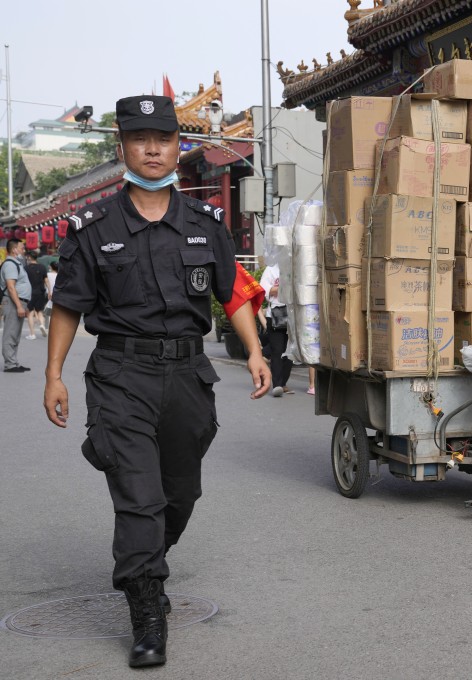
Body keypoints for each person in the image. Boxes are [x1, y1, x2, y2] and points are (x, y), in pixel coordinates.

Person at [42, 95, 271, 669]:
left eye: (163, 139)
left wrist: (255, 349)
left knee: (180, 493)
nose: (152, 148)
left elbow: (230, 291)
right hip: (121, 376)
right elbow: (69, 306)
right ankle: (147, 613)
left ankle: (148, 564)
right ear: (121, 147)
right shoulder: (94, 228)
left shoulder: (204, 224)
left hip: (188, 375)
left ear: (178, 147)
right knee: (139, 499)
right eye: (140, 139)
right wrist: (54, 375)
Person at [259, 263, 293, 397]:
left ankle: (283, 382)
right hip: (275, 315)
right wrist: (282, 287)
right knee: (277, 350)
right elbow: (264, 291)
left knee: (290, 350)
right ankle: (277, 384)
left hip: (293, 314)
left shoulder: (295, 266)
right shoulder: (271, 269)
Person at [1, 237, 32, 372]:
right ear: (14, 250)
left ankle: (14, 361)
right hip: (14, 302)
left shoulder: (17, 263)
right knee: (10, 333)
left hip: (18, 302)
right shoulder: (10, 264)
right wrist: (19, 305)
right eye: (21, 248)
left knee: (15, 333)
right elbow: (11, 287)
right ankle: (10, 364)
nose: (23, 250)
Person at [25, 251, 48, 339]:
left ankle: (32, 334)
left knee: (30, 313)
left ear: (29, 257)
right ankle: (42, 324)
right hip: (41, 292)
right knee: (40, 312)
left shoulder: (26, 268)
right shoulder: (42, 267)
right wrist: (49, 291)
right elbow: (46, 280)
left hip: (30, 293)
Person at [43, 261, 58, 333]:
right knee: (53, 311)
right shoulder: (59, 275)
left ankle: (46, 327)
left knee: (46, 312)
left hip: (47, 293)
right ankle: (52, 328)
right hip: (56, 294)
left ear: (51, 267)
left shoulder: (47, 274)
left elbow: (44, 283)